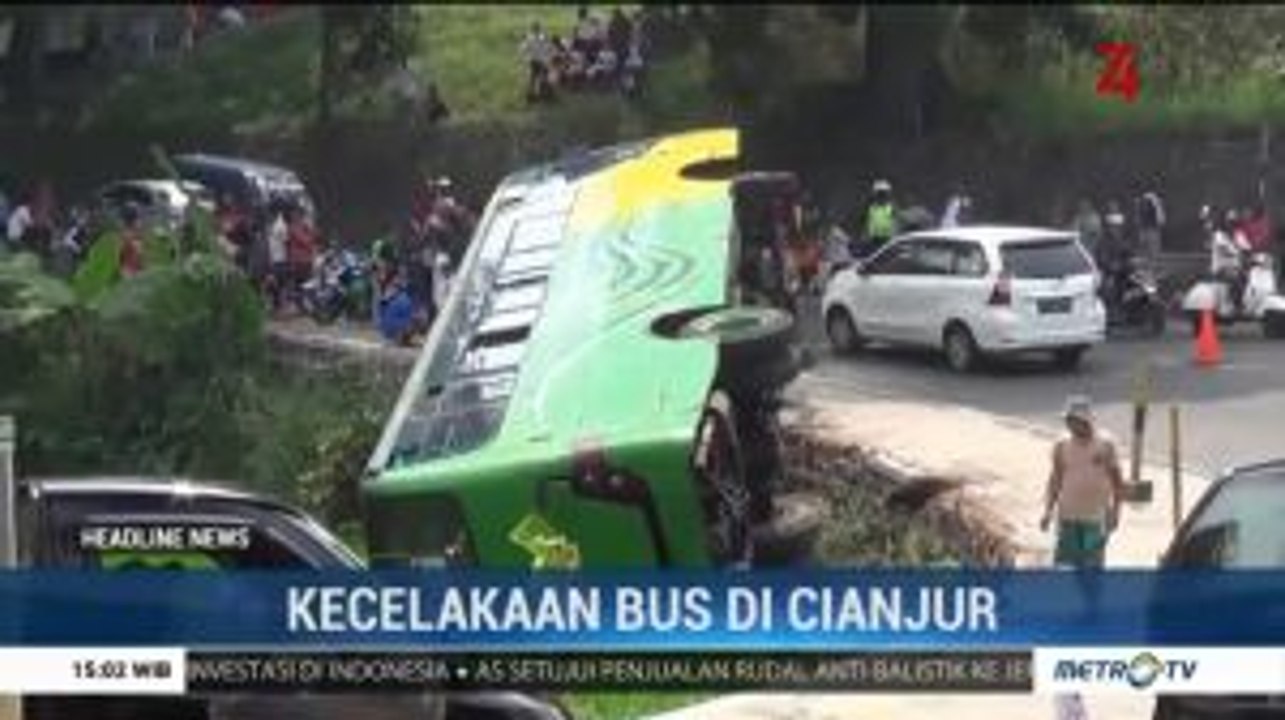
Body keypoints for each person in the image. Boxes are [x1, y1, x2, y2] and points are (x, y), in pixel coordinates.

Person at [1040, 395, 1125, 570]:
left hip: (1096, 518)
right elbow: (1055, 479)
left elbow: (1117, 481)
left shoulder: (1105, 445)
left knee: (1092, 566)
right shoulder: (1061, 445)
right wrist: (1047, 511)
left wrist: (1116, 512)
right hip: (1068, 516)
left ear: (1085, 421)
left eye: (1074, 420)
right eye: (1068, 421)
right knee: (1065, 568)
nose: (1070, 425)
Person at [860, 179, 897, 259]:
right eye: (879, 194)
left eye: (883, 194)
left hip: (888, 240)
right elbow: (867, 223)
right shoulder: (871, 208)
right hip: (873, 241)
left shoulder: (892, 207)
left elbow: (897, 223)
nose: (881, 196)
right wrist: (865, 236)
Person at [520, 22, 556, 103]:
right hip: (540, 61)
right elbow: (549, 48)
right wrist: (549, 57)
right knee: (540, 78)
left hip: (536, 61)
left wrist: (526, 58)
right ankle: (540, 95)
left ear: (533, 29)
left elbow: (523, 49)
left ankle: (535, 95)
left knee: (534, 79)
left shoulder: (530, 38)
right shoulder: (541, 38)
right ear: (539, 29)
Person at [266, 206, 290, 312]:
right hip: (274, 257)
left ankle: (279, 305)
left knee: (278, 283)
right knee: (275, 283)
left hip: (279, 258)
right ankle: (277, 304)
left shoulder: (280, 225)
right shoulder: (274, 224)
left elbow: (285, 241)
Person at [1135, 191, 1166, 263]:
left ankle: (1153, 259)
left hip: (1152, 227)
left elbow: (1160, 217)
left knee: (1152, 245)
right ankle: (1149, 259)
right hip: (1147, 227)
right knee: (1146, 244)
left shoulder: (1154, 203)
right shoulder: (1143, 204)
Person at [1071, 199, 1103, 264]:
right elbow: (1074, 230)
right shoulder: (1078, 217)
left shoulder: (1094, 216)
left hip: (1092, 245)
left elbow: (1096, 232)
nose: (1083, 207)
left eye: (1085, 205)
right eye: (1081, 205)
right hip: (1080, 245)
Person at [118, 204, 145, 279]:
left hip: (131, 271)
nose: (141, 222)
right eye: (139, 219)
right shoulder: (129, 236)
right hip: (130, 272)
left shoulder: (131, 235)